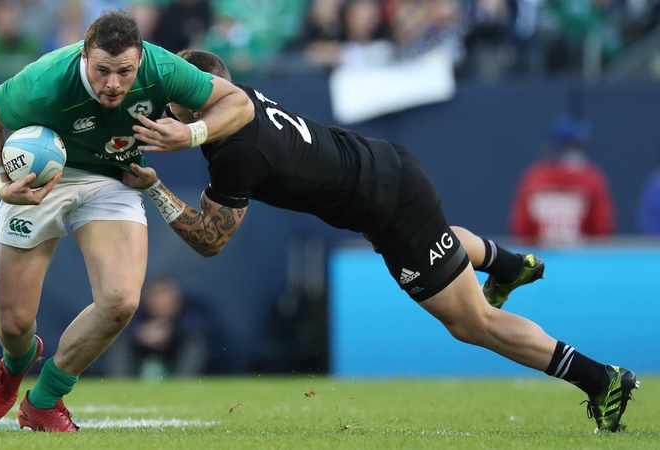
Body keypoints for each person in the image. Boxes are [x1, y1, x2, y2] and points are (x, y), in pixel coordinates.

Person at [124, 49, 639, 433]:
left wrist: (156, 190)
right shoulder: (239, 103)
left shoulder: (236, 151)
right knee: (436, 248)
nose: (171, 106)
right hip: (389, 170)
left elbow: (211, 241)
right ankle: (504, 263)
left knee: (470, 322)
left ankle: (601, 379)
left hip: (389, 203)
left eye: (182, 97)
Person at [0, 12, 253, 432]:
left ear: (140, 58)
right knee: (13, 324)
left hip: (113, 178)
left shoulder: (164, 68)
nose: (114, 84)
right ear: (84, 57)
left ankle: (44, 399)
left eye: (125, 72)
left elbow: (240, 103)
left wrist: (192, 135)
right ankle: (16, 361)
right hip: (42, 178)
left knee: (121, 301)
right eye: (102, 71)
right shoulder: (45, 81)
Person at [509, 114, 616, 246]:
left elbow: (601, 228)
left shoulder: (534, 176)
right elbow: (521, 227)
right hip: (566, 258)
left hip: (575, 258)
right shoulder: (590, 177)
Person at [120, 275, 210, 379]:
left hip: (176, 357)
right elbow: (121, 326)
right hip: (139, 357)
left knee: (195, 342)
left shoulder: (190, 311)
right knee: (120, 341)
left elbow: (198, 326)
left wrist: (170, 331)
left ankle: (182, 387)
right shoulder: (136, 312)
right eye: (156, 293)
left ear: (177, 299)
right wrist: (140, 332)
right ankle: (121, 386)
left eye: (165, 292)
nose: (161, 300)